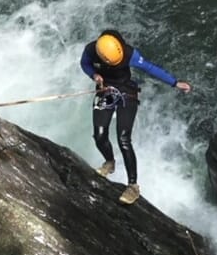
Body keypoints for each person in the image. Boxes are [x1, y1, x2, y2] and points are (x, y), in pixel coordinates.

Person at [80, 29, 191, 204]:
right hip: (106, 90)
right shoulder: (91, 50)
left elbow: (150, 68)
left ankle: (133, 186)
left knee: (124, 139)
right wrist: (94, 75)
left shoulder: (129, 53)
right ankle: (109, 162)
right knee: (99, 135)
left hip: (126, 92)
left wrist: (175, 83)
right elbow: (84, 63)